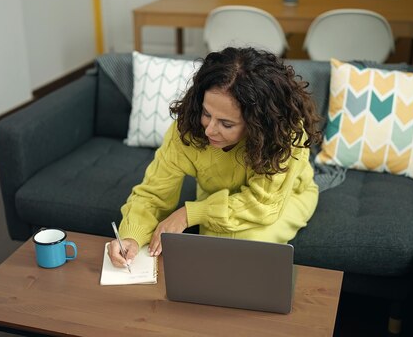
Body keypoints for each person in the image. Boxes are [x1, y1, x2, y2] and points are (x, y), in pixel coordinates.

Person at [108, 47, 321, 268]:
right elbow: (153, 194)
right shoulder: (187, 129)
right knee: (212, 251)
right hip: (216, 196)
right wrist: (131, 236)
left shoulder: (283, 136)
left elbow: (262, 204)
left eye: (226, 124)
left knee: (245, 251)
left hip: (280, 198)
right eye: (206, 114)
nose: (209, 130)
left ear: (258, 123)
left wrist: (189, 214)